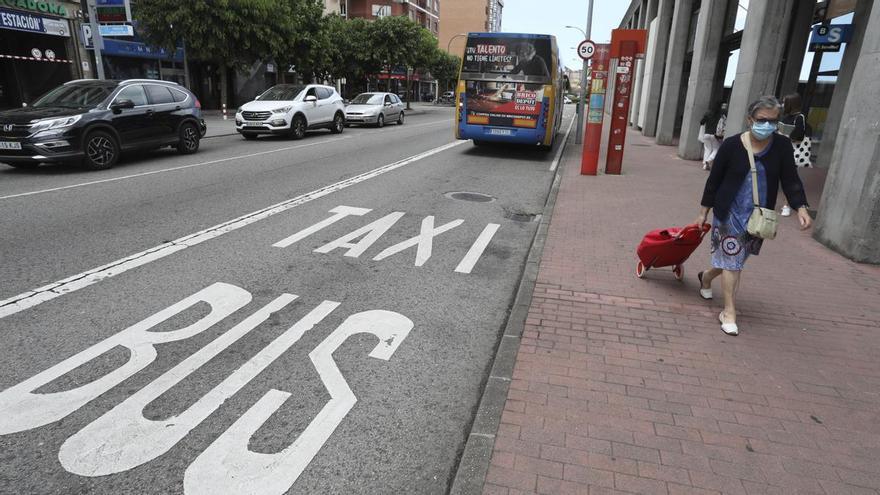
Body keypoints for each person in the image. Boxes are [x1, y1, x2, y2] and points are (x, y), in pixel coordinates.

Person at [694, 96, 812, 336]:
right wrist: (703, 212)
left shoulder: (780, 146)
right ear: (750, 120)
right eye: (762, 120)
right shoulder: (731, 145)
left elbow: (790, 179)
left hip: (758, 216)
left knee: (736, 260)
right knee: (733, 260)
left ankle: (706, 276)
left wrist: (800, 207)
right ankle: (729, 312)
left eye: (773, 121)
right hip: (728, 212)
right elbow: (714, 180)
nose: (767, 125)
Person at [778, 93, 812, 216]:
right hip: (781, 149)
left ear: (791, 104)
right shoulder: (785, 116)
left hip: (793, 151)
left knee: (790, 178)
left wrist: (787, 135)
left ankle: (787, 205)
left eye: (784, 102)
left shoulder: (799, 117)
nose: (782, 104)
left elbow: (798, 135)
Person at [697, 103, 728, 170]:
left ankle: (705, 165)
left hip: (706, 134)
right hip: (715, 135)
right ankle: (708, 160)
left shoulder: (708, 113)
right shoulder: (721, 114)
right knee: (716, 149)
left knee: (707, 149)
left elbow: (702, 122)